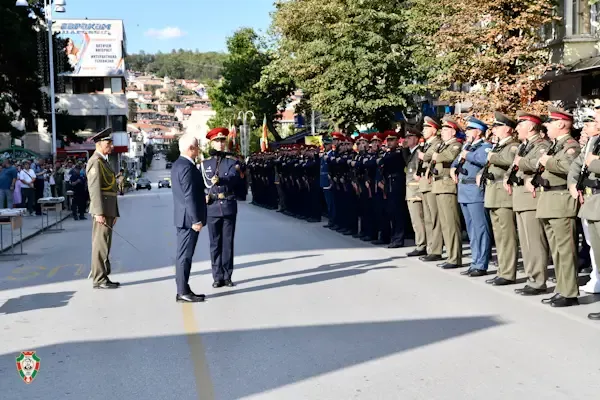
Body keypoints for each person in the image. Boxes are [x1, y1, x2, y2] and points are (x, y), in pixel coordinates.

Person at [451, 117, 493, 276]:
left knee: (480, 228)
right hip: (464, 189)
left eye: (469, 130)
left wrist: (467, 155)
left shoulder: (485, 146)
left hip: (475, 191)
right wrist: (453, 168)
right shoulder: (467, 146)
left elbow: (483, 160)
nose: (466, 133)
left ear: (479, 132)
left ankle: (481, 264)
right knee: (471, 230)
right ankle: (475, 261)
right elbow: (456, 163)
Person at [201, 127, 241, 288]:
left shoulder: (232, 162)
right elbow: (200, 184)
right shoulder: (205, 164)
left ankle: (227, 275)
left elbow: (234, 179)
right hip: (212, 206)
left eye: (223, 140)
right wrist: (202, 195)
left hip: (228, 205)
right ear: (211, 142)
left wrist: (222, 181)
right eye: (217, 141)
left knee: (227, 243)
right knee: (214, 243)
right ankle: (217, 276)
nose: (220, 144)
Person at [171, 133, 207, 303]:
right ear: (191, 148)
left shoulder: (179, 164)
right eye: (197, 147)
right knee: (185, 256)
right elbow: (188, 196)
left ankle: (183, 287)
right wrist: (196, 220)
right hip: (188, 220)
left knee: (184, 255)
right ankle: (182, 291)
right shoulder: (186, 166)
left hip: (183, 218)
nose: (199, 150)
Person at [86, 128, 120, 289]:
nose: (111, 146)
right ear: (99, 144)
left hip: (108, 208)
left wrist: (115, 212)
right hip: (102, 209)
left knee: (105, 243)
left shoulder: (104, 161)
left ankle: (104, 275)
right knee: (100, 244)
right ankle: (99, 279)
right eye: (109, 143)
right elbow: (94, 188)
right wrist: (99, 212)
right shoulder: (95, 161)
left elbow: (112, 188)